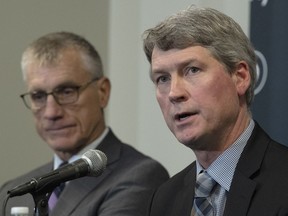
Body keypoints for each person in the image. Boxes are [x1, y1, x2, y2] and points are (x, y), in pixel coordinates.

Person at [0, 31, 169, 216]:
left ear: (102, 92)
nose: (51, 113)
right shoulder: (15, 192)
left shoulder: (139, 176)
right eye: (38, 96)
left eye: (66, 92)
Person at [142, 5, 288, 216]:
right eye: (162, 78)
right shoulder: (163, 200)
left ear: (240, 77)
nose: (174, 93)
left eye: (192, 70)